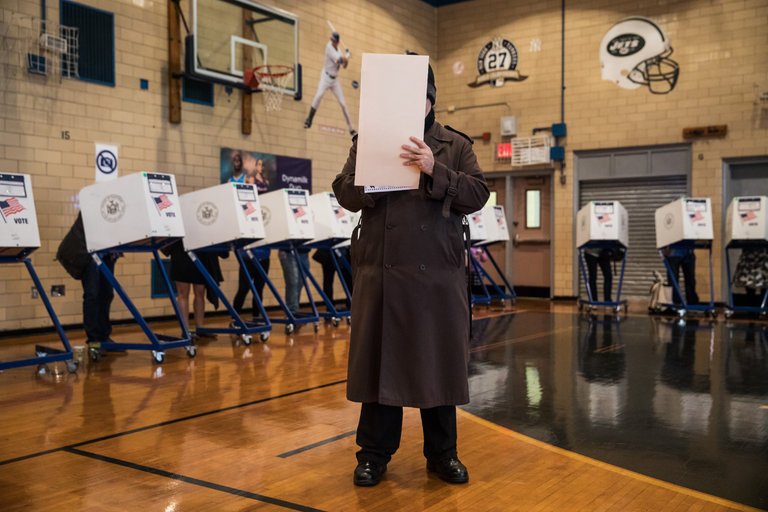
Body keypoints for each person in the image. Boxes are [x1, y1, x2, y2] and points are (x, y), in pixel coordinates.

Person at [332, 60, 489, 487]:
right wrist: (369, 179)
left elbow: (478, 193)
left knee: (436, 366)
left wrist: (434, 170)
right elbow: (343, 191)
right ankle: (373, 455)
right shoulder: (368, 142)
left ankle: (443, 455)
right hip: (382, 274)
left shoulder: (453, 145)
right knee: (380, 369)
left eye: (415, 98)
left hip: (436, 276)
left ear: (429, 102)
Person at [56, 212, 119, 354]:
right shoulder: (94, 199)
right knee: (92, 295)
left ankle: (104, 337)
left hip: (107, 252)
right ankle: (94, 341)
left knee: (107, 294)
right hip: (89, 252)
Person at [166, 241, 226, 339]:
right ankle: (185, 330)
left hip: (200, 250)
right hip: (181, 250)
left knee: (200, 292)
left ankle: (200, 328)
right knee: (183, 293)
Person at [304, 31, 357, 136]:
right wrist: (348, 55)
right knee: (318, 95)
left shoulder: (339, 51)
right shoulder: (329, 48)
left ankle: (351, 128)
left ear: (337, 42)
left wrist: (347, 58)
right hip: (325, 77)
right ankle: (309, 119)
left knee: (343, 104)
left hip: (335, 80)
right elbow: (340, 60)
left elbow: (344, 66)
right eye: (331, 40)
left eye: (334, 41)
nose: (332, 42)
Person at [278, 247, 311, 315]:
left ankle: (294, 310)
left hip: (304, 252)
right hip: (288, 252)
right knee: (293, 282)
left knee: (301, 282)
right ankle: (292, 311)